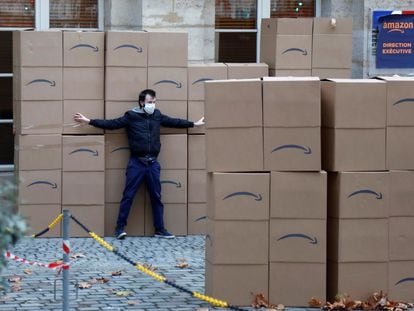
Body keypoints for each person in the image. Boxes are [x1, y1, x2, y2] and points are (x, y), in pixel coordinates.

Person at [74, 89, 205, 239]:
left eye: (154, 102)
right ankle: (119, 229)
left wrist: (194, 124)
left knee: (156, 197)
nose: (153, 105)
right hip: (137, 162)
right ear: (142, 102)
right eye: (150, 102)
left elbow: (174, 122)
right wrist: (89, 121)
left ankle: (160, 230)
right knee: (128, 196)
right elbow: (112, 124)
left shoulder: (157, 115)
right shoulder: (131, 116)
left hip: (153, 163)